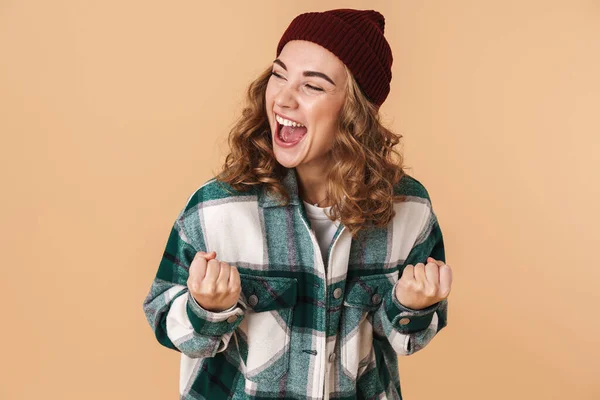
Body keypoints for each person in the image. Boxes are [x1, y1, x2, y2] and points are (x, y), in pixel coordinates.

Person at [143, 8, 453, 400]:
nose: (283, 99)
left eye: (313, 86)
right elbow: (166, 322)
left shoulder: (410, 210)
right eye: (279, 74)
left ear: (357, 111)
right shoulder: (215, 209)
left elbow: (404, 341)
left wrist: (412, 306)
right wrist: (206, 309)